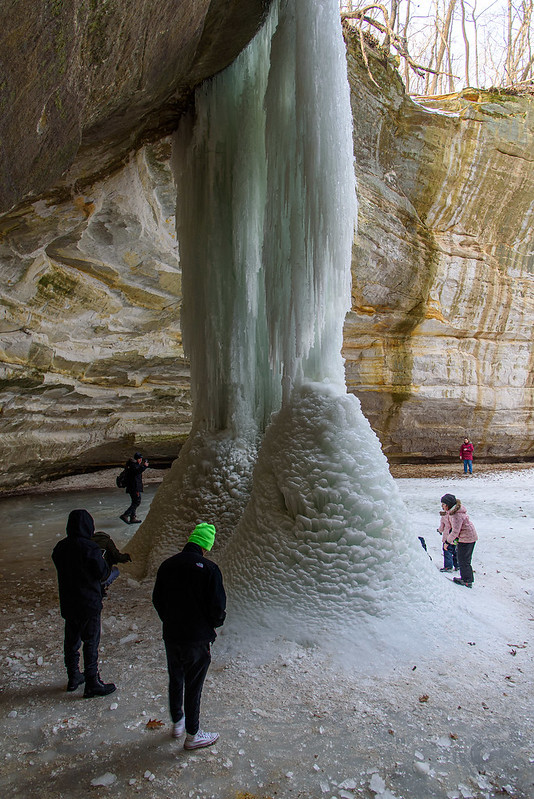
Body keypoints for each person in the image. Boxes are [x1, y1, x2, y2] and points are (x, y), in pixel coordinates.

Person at [152, 522, 226, 750]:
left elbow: (157, 599)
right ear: (206, 546)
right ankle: (193, 735)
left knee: (176, 678)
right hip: (197, 638)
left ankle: (177, 722)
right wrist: (211, 625)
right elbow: (218, 608)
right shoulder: (210, 569)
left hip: (172, 635)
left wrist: (170, 620)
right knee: (194, 685)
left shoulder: (167, 565)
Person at [51, 509, 117, 697]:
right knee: (90, 641)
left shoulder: (61, 547)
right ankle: (92, 681)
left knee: (71, 641)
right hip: (88, 602)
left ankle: (73, 676)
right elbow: (102, 572)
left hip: (69, 602)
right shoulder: (90, 548)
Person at [440, 493, 478, 588]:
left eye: (443, 504)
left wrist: (447, 542)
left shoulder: (456, 515)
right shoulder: (454, 513)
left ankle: (467, 580)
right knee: (463, 559)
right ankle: (466, 578)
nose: (442, 506)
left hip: (467, 539)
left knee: (463, 560)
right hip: (466, 537)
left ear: (448, 505)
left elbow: (455, 531)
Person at [120, 451, 148, 524]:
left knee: (134, 502)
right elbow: (137, 472)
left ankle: (133, 517)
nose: (141, 460)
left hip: (132, 487)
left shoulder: (132, 465)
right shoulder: (133, 466)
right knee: (137, 502)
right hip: (134, 487)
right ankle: (126, 515)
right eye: (140, 459)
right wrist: (144, 466)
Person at [437, 506, 458, 572]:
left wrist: (439, 530)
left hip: (447, 538)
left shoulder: (444, 516)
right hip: (455, 538)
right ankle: (457, 565)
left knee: (447, 551)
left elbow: (442, 526)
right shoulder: (455, 515)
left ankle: (448, 566)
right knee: (455, 552)